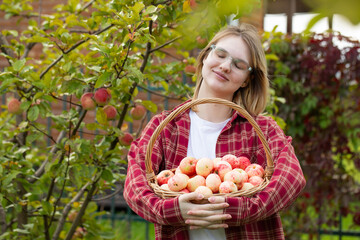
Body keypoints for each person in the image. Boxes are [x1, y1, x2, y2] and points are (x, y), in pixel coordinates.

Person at [123, 23, 306, 240]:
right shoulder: (166, 128)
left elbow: (292, 177)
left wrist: (238, 209)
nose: (226, 66)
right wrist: (171, 210)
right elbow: (135, 185)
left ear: (247, 79)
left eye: (238, 65)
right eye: (220, 54)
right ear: (205, 58)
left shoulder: (261, 130)